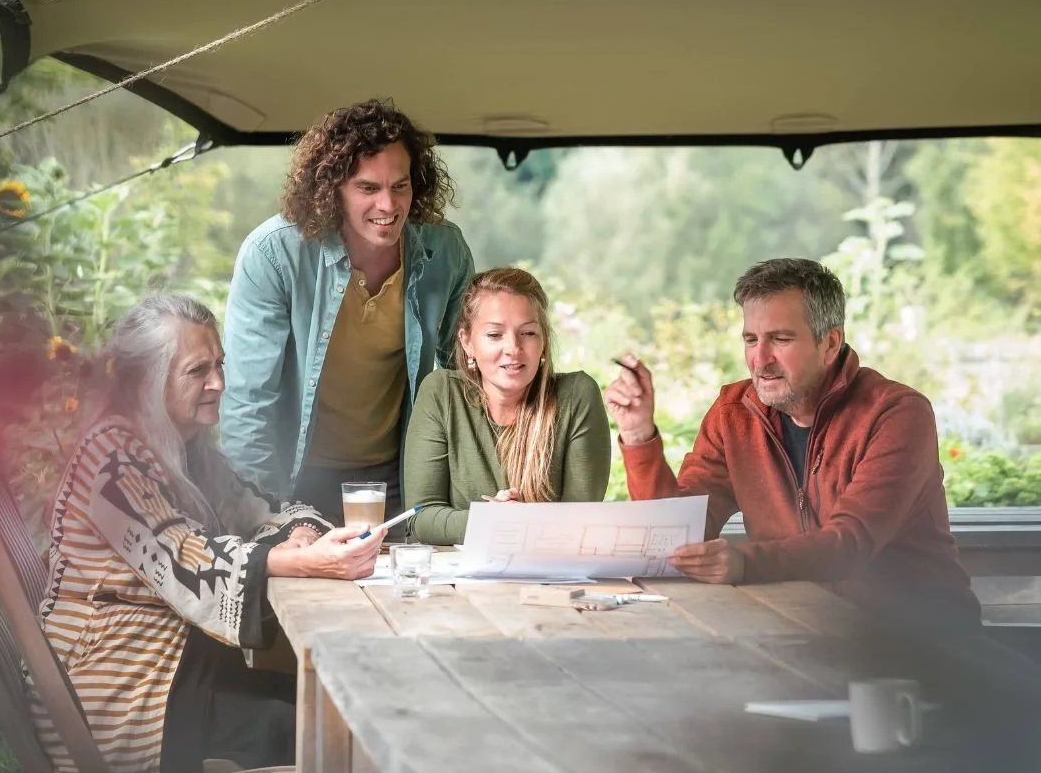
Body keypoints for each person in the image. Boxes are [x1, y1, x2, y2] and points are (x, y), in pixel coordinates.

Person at [38, 292, 383, 773]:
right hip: (120, 685)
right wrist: (299, 559)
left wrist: (306, 533)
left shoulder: (184, 450)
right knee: (315, 728)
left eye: (219, 364)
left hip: (173, 669)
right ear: (146, 379)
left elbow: (256, 507)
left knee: (320, 712)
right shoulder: (112, 453)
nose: (219, 382)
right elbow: (185, 560)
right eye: (199, 370)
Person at [603, 257, 980, 625]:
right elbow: (675, 535)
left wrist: (745, 563)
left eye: (780, 339)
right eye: (751, 339)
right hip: (799, 626)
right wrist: (638, 435)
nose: (760, 359)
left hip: (920, 635)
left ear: (830, 343)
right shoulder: (733, 412)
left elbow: (850, 544)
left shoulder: (896, 413)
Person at [220, 98, 475, 524]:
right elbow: (248, 404)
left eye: (400, 185)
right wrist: (266, 519)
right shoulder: (274, 253)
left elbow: (470, 382)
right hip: (294, 480)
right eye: (368, 188)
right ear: (332, 188)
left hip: (398, 477)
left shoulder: (444, 250)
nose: (388, 206)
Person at [403, 267, 612, 545]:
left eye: (528, 333)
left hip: (550, 575)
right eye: (494, 335)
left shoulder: (576, 396)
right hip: (459, 580)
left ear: (544, 341)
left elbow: (581, 520)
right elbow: (422, 517)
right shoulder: (441, 393)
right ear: (467, 343)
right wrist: (489, 520)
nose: (513, 348)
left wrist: (516, 522)